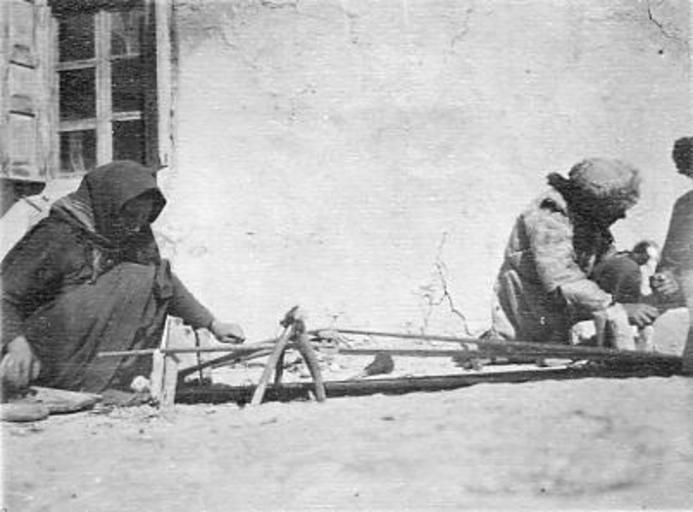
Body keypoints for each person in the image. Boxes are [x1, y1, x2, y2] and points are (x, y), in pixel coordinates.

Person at [0, 161, 245, 397]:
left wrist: (213, 324)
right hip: (38, 355)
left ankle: (109, 380)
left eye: (143, 218)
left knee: (148, 275)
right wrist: (15, 342)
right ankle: (80, 382)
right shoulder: (57, 235)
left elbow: (163, 282)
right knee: (132, 277)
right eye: (130, 216)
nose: (136, 227)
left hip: (84, 355)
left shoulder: (132, 232)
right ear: (108, 205)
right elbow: (4, 295)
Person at [491, 158, 660, 346]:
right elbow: (563, 279)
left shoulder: (587, 218)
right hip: (532, 311)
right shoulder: (549, 218)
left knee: (625, 267)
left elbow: (607, 263)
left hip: (565, 308)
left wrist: (639, 263)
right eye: (616, 208)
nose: (622, 216)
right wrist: (618, 309)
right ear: (596, 202)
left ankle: (610, 339)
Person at [652, 137, 693, 373]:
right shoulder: (687, 204)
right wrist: (666, 274)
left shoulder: (687, 204)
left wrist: (667, 271)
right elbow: (674, 250)